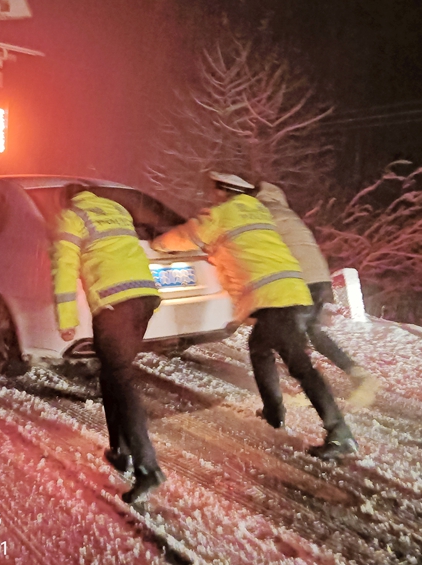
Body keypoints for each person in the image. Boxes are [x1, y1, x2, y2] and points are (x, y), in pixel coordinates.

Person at [151, 172, 358, 459]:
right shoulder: (258, 211)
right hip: (292, 291)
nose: (212, 196)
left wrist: (157, 245)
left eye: (215, 191)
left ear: (223, 192)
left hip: (273, 299)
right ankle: (275, 412)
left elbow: (183, 237)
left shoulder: (221, 214)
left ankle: (339, 433)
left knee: (300, 366)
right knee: (260, 348)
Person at [52, 183, 166, 503]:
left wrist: (66, 320)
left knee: (121, 379)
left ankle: (148, 468)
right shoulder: (116, 210)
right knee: (113, 373)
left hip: (114, 304)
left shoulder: (70, 217)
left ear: (67, 199)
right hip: (143, 298)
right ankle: (120, 450)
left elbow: (63, 268)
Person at [255, 181, 379, 408]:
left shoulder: (262, 213)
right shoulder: (287, 214)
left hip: (297, 281)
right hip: (319, 279)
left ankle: (310, 386)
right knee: (312, 331)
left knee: (286, 335)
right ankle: (358, 374)